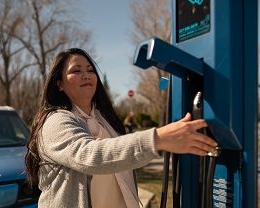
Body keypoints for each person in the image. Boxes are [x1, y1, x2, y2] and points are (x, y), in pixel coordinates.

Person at [25, 48, 217, 208]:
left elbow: (123, 158)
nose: (86, 75)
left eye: (91, 70)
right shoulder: (55, 121)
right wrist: (158, 139)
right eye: (76, 71)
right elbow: (90, 156)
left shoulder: (105, 119)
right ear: (59, 84)